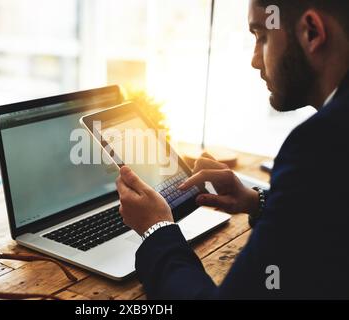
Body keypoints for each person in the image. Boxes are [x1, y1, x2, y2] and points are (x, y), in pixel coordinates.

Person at [115, 0, 349, 299]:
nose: (254, 60)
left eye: (262, 36)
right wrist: (258, 203)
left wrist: (156, 230)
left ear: (312, 32)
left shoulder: (319, 145)